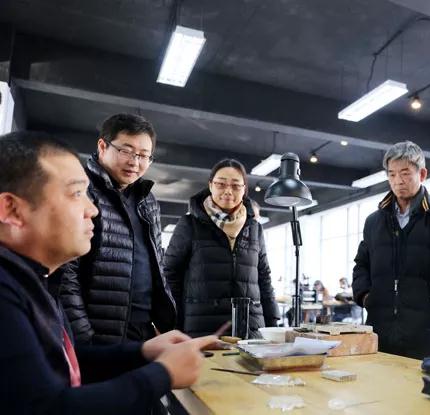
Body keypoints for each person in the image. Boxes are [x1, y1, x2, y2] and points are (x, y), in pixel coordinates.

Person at [0, 131, 225, 414]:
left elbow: (68, 363)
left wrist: (144, 351)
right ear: (12, 210)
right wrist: (163, 374)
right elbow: (47, 408)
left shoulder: (37, 282)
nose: (92, 210)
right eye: (76, 194)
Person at [58, 113, 175, 344]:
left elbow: (157, 265)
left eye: (143, 155)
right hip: (99, 330)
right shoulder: (81, 189)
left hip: (144, 330)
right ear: (102, 146)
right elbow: (65, 271)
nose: (134, 162)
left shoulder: (148, 200)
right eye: (126, 151)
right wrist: (82, 335)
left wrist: (160, 323)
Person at [353, 140, 430, 359]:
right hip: (379, 332)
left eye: (405, 173)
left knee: (424, 383)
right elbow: (361, 265)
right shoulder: (374, 222)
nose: (398, 181)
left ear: (422, 174)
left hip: (425, 336)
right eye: (392, 174)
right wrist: (366, 297)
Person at [164, 159, 279, 338]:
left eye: (236, 186)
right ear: (211, 185)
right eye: (221, 184)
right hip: (202, 330)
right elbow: (170, 276)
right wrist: (172, 325)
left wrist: (273, 325)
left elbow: (264, 278)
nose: (228, 191)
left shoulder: (255, 228)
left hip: (250, 329)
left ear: (244, 189)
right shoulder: (190, 224)